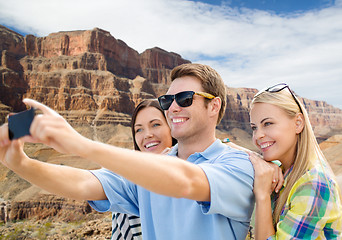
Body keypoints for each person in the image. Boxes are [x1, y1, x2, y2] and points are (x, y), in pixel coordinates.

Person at [0, 63, 255, 240]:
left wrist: (82, 145)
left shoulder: (237, 164)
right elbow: (83, 183)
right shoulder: (146, 172)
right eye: (167, 101)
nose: (173, 108)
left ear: (214, 106)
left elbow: (186, 182)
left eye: (185, 98)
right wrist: (21, 163)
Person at [248, 83, 342, 239]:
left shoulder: (314, 183)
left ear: (298, 123)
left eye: (268, 123)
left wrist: (263, 195)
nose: (258, 136)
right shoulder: (286, 170)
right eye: (254, 128)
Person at [112, 99, 176, 240]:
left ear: (172, 128)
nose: (147, 134)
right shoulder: (131, 189)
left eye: (155, 125)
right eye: (139, 129)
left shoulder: (200, 173)